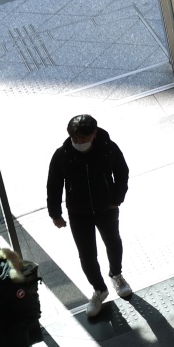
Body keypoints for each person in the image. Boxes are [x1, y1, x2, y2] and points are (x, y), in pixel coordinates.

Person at [46, 114, 132, 316]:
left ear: (94, 134)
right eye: (75, 138)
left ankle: (116, 274)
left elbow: (122, 172)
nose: (79, 142)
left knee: (113, 242)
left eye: (83, 138)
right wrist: (55, 214)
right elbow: (54, 185)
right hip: (79, 212)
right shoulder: (62, 155)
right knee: (86, 254)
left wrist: (116, 199)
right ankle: (99, 289)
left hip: (106, 208)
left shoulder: (108, 148)